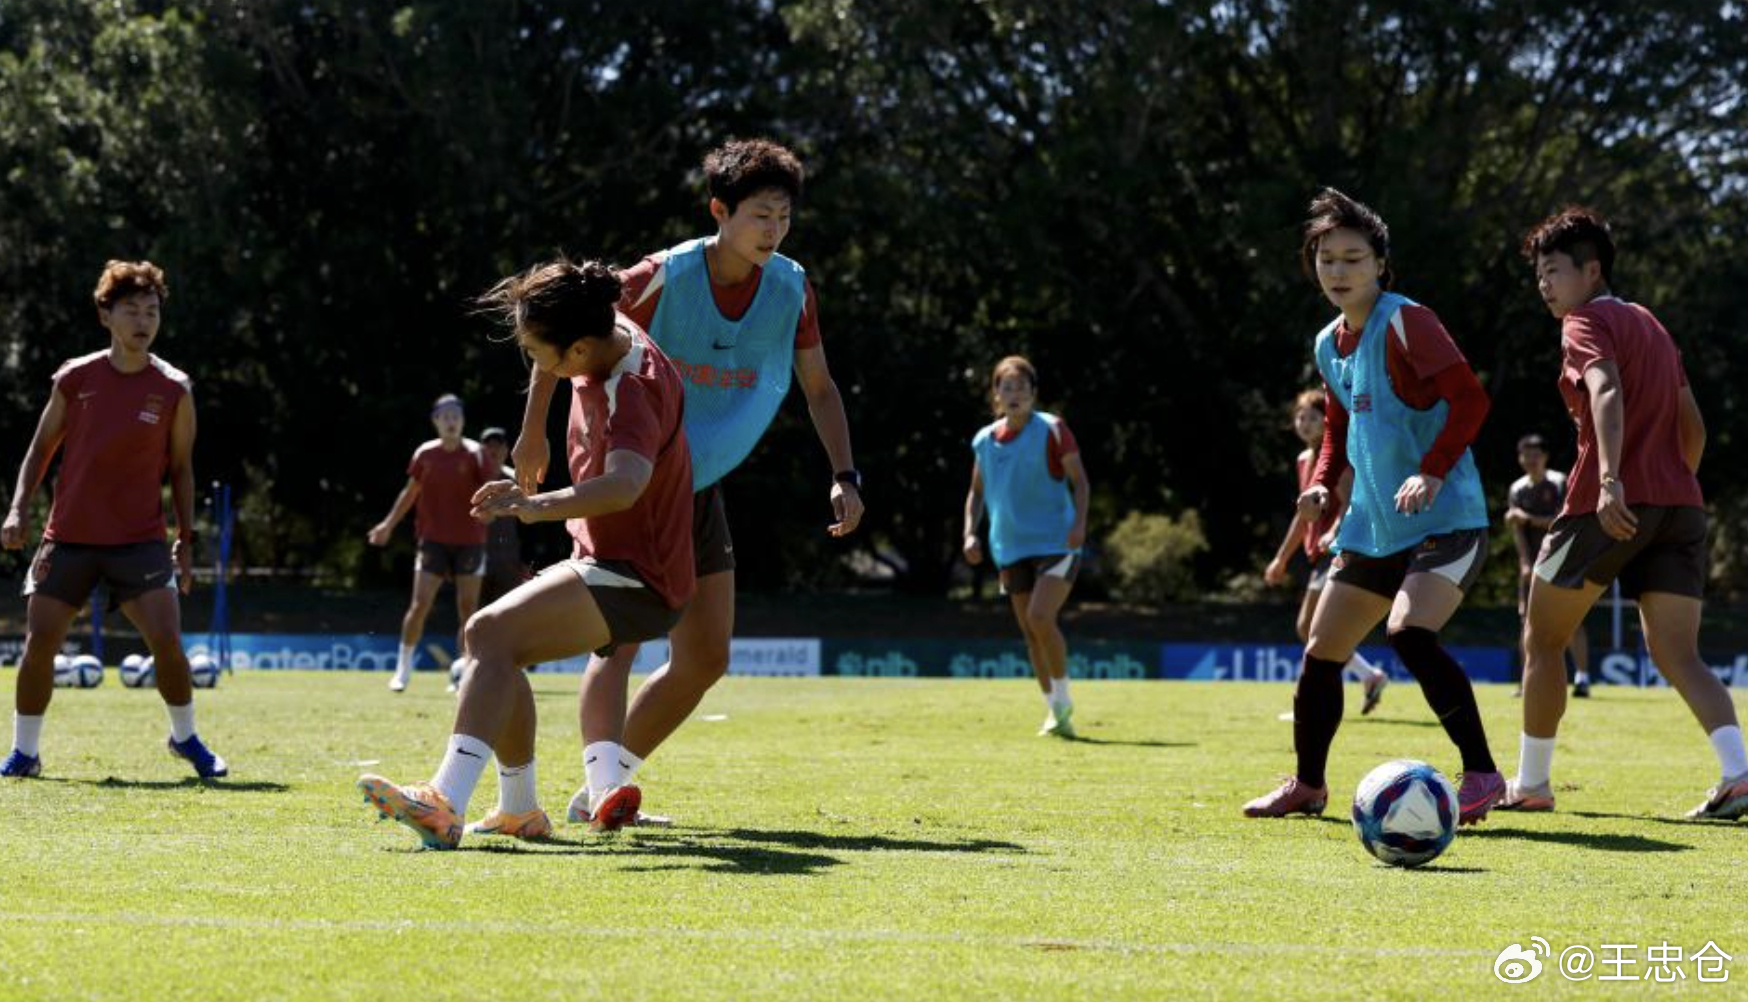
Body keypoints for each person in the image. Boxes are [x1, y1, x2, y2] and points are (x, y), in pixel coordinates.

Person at [506, 138, 863, 828]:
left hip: (700, 480)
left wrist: (843, 474)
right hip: (627, 476)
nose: (773, 231)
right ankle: (603, 783)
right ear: (718, 211)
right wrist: (533, 431)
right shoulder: (660, 275)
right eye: (760, 215)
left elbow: (819, 388)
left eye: (783, 217)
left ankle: (601, 793)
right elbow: (561, 331)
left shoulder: (792, 286)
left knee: (705, 656)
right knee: (621, 637)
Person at [358, 257, 694, 848]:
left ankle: (444, 800)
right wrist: (533, 426)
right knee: (497, 645)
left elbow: (625, 486)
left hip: (639, 576)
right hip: (609, 559)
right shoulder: (600, 323)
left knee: (488, 633)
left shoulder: (632, 390)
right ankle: (517, 811)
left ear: (580, 351)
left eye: (539, 353)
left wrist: (532, 506)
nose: (534, 363)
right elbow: (552, 354)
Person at [1243, 189, 1505, 824]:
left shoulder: (1409, 320)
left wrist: (1433, 472)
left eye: (1353, 259)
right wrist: (1323, 482)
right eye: (1327, 260)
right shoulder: (1327, 344)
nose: (1339, 272)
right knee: (1321, 652)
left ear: (1381, 265)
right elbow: (1336, 424)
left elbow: (1471, 399)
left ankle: (1482, 774)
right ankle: (1308, 786)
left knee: (1409, 633)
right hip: (1372, 522)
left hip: (1447, 516)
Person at [1500, 207, 1747, 819]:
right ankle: (1740, 773)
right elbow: (1693, 425)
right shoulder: (1653, 325)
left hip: (1602, 504)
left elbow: (1605, 388)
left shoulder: (1585, 322)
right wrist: (1674, 483)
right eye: (1538, 275)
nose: (1544, 285)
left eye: (1554, 271)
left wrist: (1612, 479)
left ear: (1591, 270)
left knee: (1543, 636)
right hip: (1679, 507)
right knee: (1678, 654)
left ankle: (1531, 784)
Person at [1, 260, 227, 779]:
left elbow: (183, 470)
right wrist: (17, 510)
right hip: (70, 537)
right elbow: (38, 452)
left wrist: (185, 540)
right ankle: (25, 753)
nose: (143, 321)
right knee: (39, 645)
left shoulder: (174, 389)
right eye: (131, 310)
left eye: (152, 311)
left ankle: (186, 738)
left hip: (139, 543)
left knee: (167, 642)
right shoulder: (76, 377)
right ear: (106, 315)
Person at [962, 356, 1090, 738]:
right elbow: (976, 492)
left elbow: (1080, 482)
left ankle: (1064, 697)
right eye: (1007, 387)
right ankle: (1054, 710)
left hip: (1058, 542)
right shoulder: (984, 441)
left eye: (1021, 387)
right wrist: (970, 532)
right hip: (1009, 548)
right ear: (996, 395)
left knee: (1039, 617)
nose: (1014, 394)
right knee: (1030, 632)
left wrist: (1081, 522)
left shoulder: (1053, 430)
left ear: (1034, 393)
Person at [1263, 389, 1389, 718]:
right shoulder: (1304, 460)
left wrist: (1334, 532)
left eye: (1314, 417)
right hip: (1317, 554)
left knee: (1311, 627)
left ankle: (1310, 705)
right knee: (1312, 629)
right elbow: (1302, 515)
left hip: (1340, 549)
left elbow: (1349, 500)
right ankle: (1368, 676)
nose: (1305, 423)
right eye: (1300, 417)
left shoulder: (1337, 455)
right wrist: (1282, 557)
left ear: (1327, 421)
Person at [366, 394, 488, 692]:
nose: (451, 421)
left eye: (456, 415)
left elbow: (488, 496)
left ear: (463, 420)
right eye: (445, 416)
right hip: (432, 540)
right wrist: (387, 525)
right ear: (435, 421)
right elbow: (409, 494)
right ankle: (402, 670)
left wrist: (490, 511)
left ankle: (464, 674)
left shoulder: (476, 454)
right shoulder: (425, 454)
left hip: (470, 542)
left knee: (467, 609)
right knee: (419, 605)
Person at [1504, 433, 1589, 697]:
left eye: (1535, 454)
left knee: (1571, 620)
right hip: (1533, 566)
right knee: (1526, 623)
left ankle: (1582, 678)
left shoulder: (1559, 482)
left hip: (1563, 560)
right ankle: (1526, 681)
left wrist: (1527, 518)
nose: (1530, 459)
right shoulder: (1517, 489)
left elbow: (1563, 522)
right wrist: (1524, 563)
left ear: (1545, 457)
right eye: (1525, 454)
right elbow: (1516, 529)